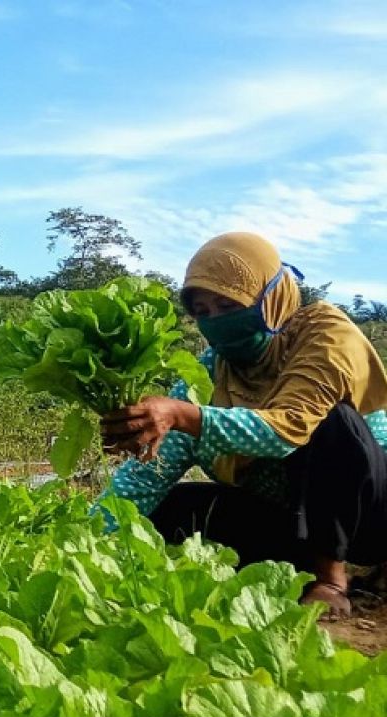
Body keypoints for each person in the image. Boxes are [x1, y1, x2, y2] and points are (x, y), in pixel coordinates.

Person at [98, 232, 387, 618]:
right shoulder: (210, 371)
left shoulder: (325, 334)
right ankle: (295, 567)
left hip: (370, 514)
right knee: (172, 507)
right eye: (203, 311)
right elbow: (148, 474)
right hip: (293, 519)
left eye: (228, 304)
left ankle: (332, 579)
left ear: (271, 298)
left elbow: (287, 428)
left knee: (333, 422)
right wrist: (84, 537)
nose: (216, 321)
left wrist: (183, 415)